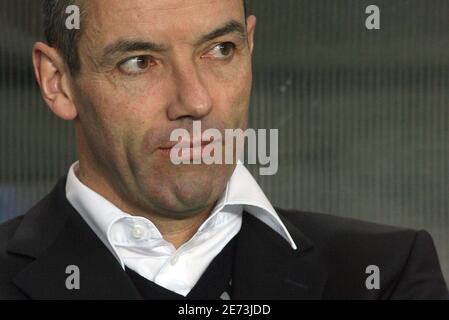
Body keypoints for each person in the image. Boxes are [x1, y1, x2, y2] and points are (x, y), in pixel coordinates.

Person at [0, 0, 447, 300]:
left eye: (220, 49)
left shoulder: (384, 275)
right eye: (138, 62)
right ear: (57, 82)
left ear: (249, 47)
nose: (195, 101)